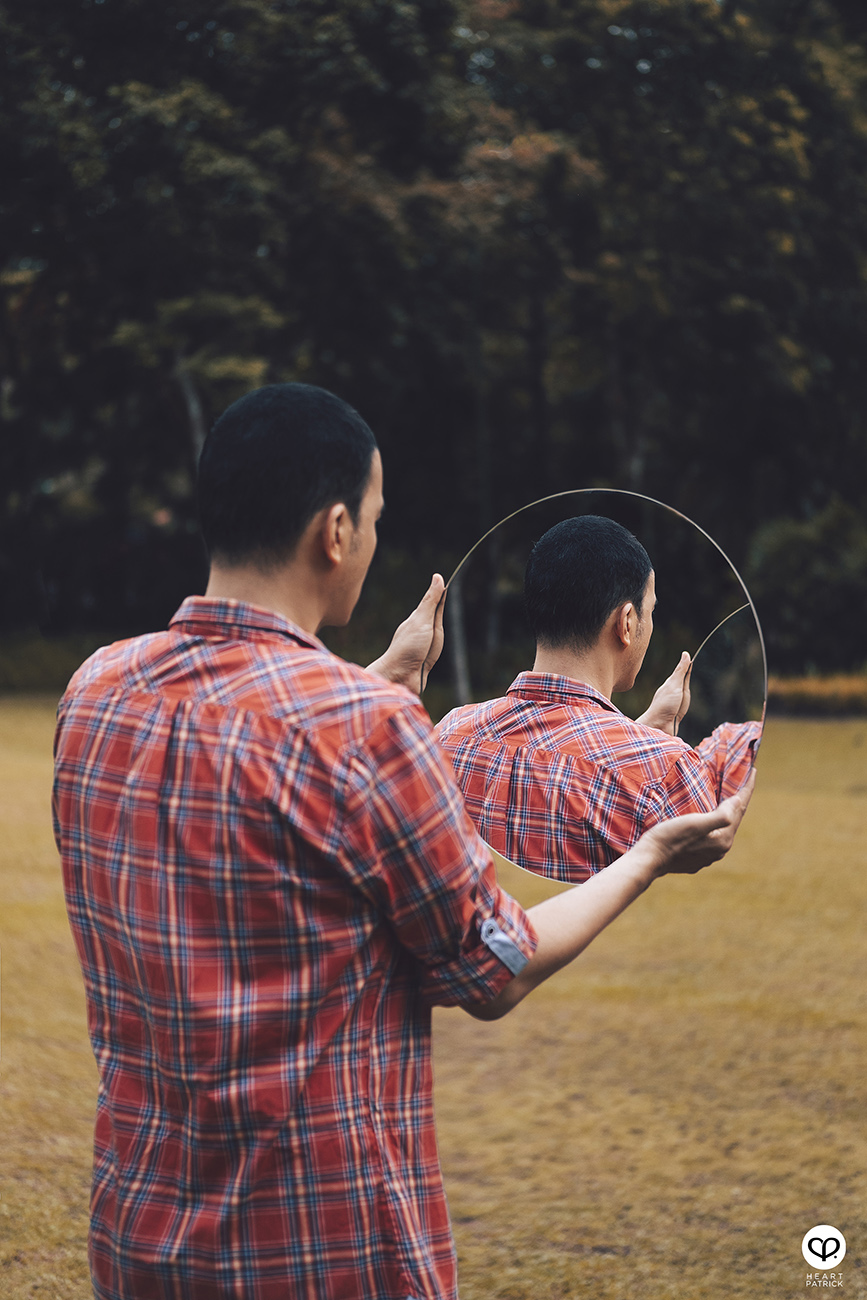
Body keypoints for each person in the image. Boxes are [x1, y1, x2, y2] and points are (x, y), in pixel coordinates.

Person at [53, 385, 753, 1300]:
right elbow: (491, 967)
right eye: (375, 518)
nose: (374, 538)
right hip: (322, 1251)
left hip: (138, 1236)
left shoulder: (97, 690)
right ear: (335, 531)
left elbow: (248, 744)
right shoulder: (366, 727)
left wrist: (368, 680)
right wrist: (648, 854)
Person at [437, 515, 760, 882]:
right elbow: (709, 818)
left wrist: (642, 734)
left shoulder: (447, 734)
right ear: (626, 623)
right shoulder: (660, 770)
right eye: (650, 611)